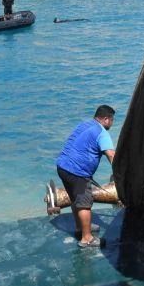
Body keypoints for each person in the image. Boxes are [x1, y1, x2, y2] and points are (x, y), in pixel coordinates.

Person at [56, 105, 116, 248]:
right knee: (84, 203)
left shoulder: (84, 125)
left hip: (62, 167)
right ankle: (87, 238)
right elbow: (111, 155)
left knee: (75, 199)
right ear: (106, 119)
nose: (112, 123)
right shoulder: (102, 133)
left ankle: (81, 227)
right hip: (77, 172)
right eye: (112, 120)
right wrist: (121, 174)